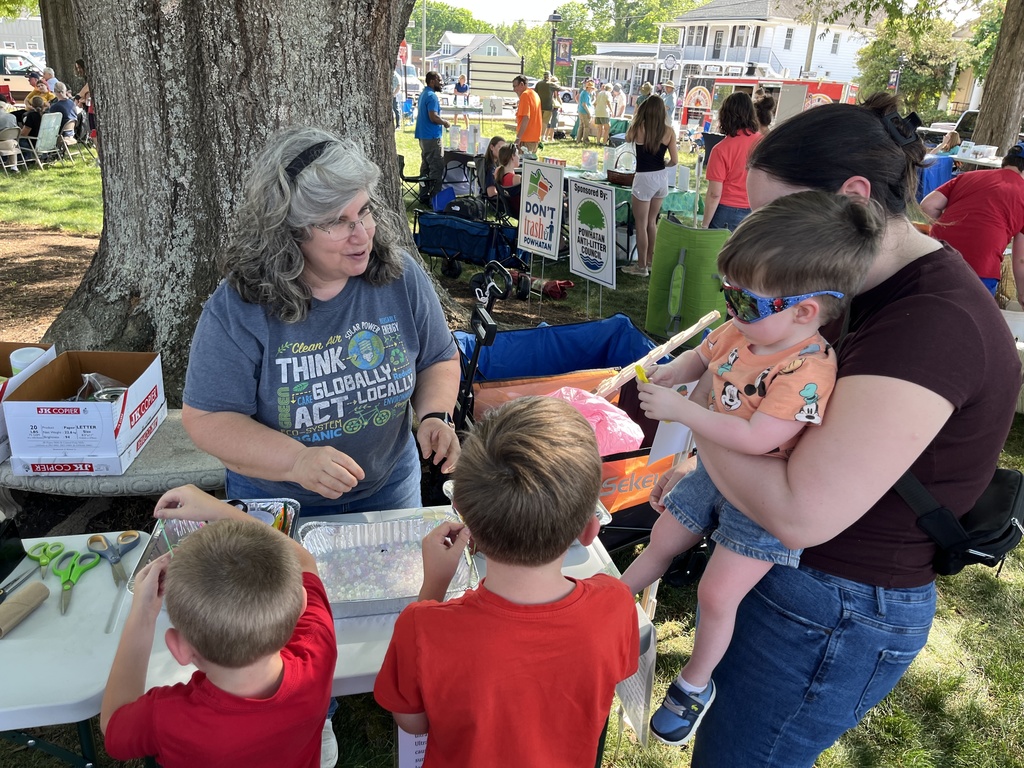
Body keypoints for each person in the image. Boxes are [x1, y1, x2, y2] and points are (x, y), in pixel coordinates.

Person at [647, 92, 1020, 766]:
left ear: (851, 196)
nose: (752, 231)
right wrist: (710, 414)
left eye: (771, 212)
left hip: (835, 609)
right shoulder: (833, 283)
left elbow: (798, 511)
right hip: (798, 580)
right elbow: (741, 378)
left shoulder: (931, 326)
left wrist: (699, 422)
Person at [625, 191, 884, 745]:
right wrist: (677, 371)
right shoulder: (749, 329)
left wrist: (688, 411)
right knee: (663, 537)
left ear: (804, 311)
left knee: (717, 595)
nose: (732, 310)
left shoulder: (807, 367)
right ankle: (610, 603)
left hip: (762, 503)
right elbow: (706, 355)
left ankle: (695, 684)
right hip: (713, 473)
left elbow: (757, 435)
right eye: (729, 293)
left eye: (745, 302)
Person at [182, 127, 461, 518]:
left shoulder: (400, 277)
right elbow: (208, 419)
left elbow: (438, 359)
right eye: (336, 221)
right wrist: (297, 461)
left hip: (388, 489)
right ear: (290, 232)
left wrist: (434, 415)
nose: (361, 234)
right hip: (279, 502)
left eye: (363, 211)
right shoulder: (240, 305)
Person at [373, 396, 640, 767]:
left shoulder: (422, 627)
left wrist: (432, 589)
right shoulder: (616, 602)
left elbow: (412, 723)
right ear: (590, 529)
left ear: (466, 521)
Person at [100, 485, 337, 768]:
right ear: (301, 603)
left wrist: (142, 613)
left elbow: (113, 725)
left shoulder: (166, 717)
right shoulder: (317, 651)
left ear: (180, 649)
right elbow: (305, 561)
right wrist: (220, 510)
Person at [921, 142, 1024, 297]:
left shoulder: (968, 176)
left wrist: (948, 225)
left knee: (927, 311)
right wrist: (1022, 294)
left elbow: (928, 205)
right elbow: (1021, 259)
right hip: (981, 266)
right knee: (973, 317)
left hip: (937, 254)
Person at [622, 96, 678, 277]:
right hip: (661, 177)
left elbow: (627, 137)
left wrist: (638, 115)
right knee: (652, 222)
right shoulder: (669, 131)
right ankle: (650, 261)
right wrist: (664, 164)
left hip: (644, 178)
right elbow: (675, 161)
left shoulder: (639, 128)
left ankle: (641, 267)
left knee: (641, 224)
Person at [702, 91, 760, 231]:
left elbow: (714, 193)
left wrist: (704, 224)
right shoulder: (764, 143)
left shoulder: (721, 149)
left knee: (719, 252)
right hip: (756, 208)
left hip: (726, 210)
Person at [414, 71, 450, 200]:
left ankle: (423, 195)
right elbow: (433, 116)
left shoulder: (424, 94)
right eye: (439, 80)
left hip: (423, 136)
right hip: (432, 137)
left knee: (426, 167)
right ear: (432, 81)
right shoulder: (432, 96)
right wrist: (445, 122)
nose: (441, 83)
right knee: (436, 167)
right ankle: (434, 199)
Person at [511, 74, 541, 152]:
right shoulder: (534, 94)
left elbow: (526, 117)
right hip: (534, 139)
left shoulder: (525, 95)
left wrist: (518, 138)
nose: (514, 90)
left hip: (526, 140)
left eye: (515, 86)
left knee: (522, 163)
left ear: (521, 84)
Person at [494, 143, 522, 215]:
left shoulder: (497, 172)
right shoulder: (517, 179)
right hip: (521, 212)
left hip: (510, 211)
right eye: (517, 154)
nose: (519, 157)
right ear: (512, 157)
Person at [482, 135, 505, 201]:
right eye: (500, 148)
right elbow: (491, 193)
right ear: (492, 147)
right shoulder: (490, 168)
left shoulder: (496, 164)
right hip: (496, 200)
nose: (502, 152)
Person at [535, 71, 553, 140]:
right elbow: (559, 88)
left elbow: (535, 93)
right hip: (548, 107)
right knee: (545, 122)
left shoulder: (538, 84)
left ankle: (537, 135)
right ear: (549, 77)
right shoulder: (551, 84)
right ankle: (542, 136)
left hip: (539, 105)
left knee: (539, 121)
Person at [577, 79, 594, 143]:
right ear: (588, 88)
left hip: (581, 110)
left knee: (581, 125)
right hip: (584, 112)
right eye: (591, 88)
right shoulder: (585, 94)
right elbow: (584, 104)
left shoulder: (584, 93)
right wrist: (589, 113)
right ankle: (585, 140)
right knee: (586, 126)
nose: (592, 89)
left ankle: (578, 139)